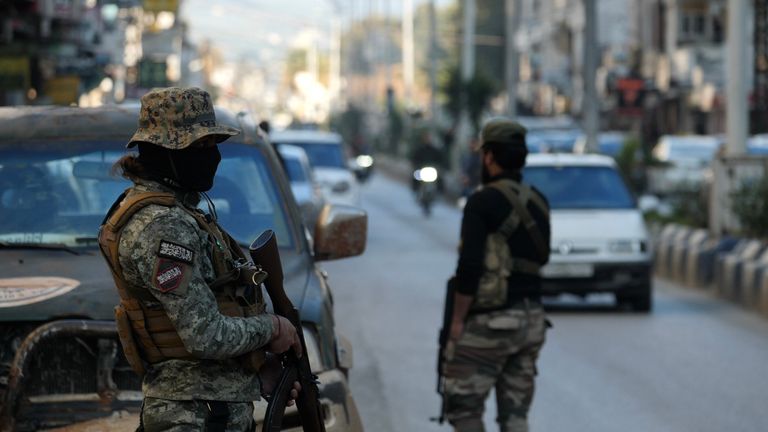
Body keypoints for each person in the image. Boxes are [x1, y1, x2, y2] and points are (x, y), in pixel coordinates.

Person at [98, 87, 300, 431]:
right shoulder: (164, 225)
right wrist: (273, 328)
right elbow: (204, 334)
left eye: (213, 145)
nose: (213, 157)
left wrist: (256, 366)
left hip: (211, 409)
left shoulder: (179, 212)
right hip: (195, 415)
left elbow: (214, 311)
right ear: (164, 151)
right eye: (200, 147)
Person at [442, 118, 551, 432]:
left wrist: (458, 321)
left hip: (490, 322)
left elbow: (469, 268)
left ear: (488, 157)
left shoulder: (481, 202)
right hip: (532, 321)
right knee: (515, 415)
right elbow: (541, 258)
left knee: (464, 408)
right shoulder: (538, 201)